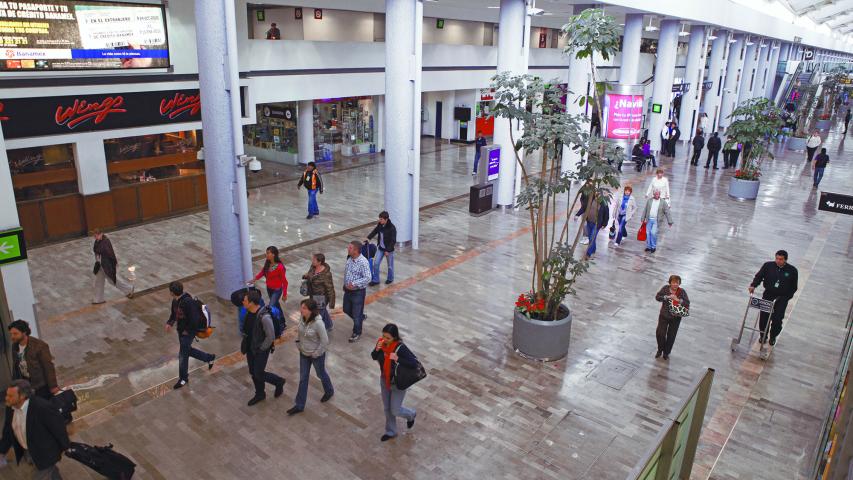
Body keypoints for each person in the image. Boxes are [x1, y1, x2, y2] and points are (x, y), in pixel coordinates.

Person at [0, 380, 70, 478]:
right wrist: (2, 451)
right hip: (28, 452)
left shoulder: (42, 407)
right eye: (7, 395)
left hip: (45, 454)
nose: (6, 398)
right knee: (52, 475)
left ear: (22, 396)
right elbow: (8, 430)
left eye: (10, 396)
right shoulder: (11, 408)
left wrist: (65, 447)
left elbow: (58, 428)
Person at [370, 323, 417, 442]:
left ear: (394, 337)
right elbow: (374, 356)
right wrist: (377, 349)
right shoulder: (381, 343)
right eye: (383, 336)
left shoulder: (400, 348)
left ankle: (411, 415)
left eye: (388, 338)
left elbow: (413, 363)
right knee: (387, 408)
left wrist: (397, 358)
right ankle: (391, 431)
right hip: (384, 380)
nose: (385, 340)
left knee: (395, 409)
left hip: (397, 383)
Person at [288, 299, 334, 416]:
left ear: (311, 311)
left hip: (316, 355)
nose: (301, 310)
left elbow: (325, 341)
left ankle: (329, 390)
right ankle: (299, 405)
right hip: (303, 353)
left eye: (304, 308)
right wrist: (298, 344)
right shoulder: (302, 318)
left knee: (320, 374)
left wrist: (316, 353)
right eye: (301, 307)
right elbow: (299, 332)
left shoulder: (319, 323)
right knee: (303, 379)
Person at [165, 281, 215, 390]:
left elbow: (195, 319)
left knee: (183, 355)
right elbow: (173, 315)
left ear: (172, 292)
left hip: (188, 333)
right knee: (187, 351)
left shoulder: (188, 302)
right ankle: (209, 358)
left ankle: (183, 378)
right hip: (181, 331)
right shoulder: (175, 301)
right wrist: (169, 323)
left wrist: (186, 331)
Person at [241, 289, 286, 406]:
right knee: (253, 371)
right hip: (251, 348)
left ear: (251, 303)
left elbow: (270, 336)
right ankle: (260, 393)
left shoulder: (264, 317)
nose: (243, 302)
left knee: (258, 373)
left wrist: (262, 349)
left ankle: (278, 381)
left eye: (245, 300)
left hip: (260, 349)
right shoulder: (248, 313)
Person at [749, 250, 798, 346]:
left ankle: (773, 336)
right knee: (764, 317)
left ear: (785, 260)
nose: (778, 261)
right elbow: (759, 276)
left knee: (777, 319)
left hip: (781, 298)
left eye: (781, 259)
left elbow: (793, 287)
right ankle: (763, 335)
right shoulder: (768, 266)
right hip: (768, 295)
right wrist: (753, 285)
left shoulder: (792, 270)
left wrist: (787, 297)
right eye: (777, 258)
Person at [8, 321, 59, 400]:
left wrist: (53, 386)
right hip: (26, 386)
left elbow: (48, 367)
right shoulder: (14, 346)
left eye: (15, 334)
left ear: (24, 332)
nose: (12, 337)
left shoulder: (39, 346)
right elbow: (15, 366)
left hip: (41, 386)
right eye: (11, 334)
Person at [91, 229, 133, 304]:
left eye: (96, 236)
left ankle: (129, 289)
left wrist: (114, 262)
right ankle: (98, 299)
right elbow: (96, 250)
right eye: (94, 236)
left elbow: (111, 253)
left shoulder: (106, 241)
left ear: (101, 234)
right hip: (99, 265)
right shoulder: (97, 242)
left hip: (106, 265)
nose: (95, 238)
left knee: (113, 280)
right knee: (98, 282)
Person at [654, 275, 690, 360]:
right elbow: (657, 297)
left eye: (677, 283)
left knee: (671, 336)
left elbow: (687, 302)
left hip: (675, 318)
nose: (675, 284)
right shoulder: (665, 288)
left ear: (679, 283)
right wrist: (667, 297)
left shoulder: (682, 292)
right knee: (660, 333)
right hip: (664, 315)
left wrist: (678, 300)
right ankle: (660, 349)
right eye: (673, 282)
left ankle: (666, 352)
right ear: (670, 283)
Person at [343, 240, 372, 343]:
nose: (348, 249)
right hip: (347, 290)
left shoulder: (363, 262)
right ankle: (360, 317)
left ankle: (357, 332)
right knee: (346, 309)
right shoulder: (350, 259)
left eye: (350, 248)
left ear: (356, 250)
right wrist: (345, 284)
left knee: (356, 314)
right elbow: (347, 273)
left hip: (358, 292)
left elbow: (368, 278)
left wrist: (354, 284)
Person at [248, 246, 287, 318]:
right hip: (269, 288)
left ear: (273, 254)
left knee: (271, 306)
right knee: (276, 304)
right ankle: (282, 322)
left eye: (268, 253)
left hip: (277, 290)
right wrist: (254, 279)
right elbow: (262, 272)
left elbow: (285, 282)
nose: (266, 254)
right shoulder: (267, 263)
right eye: (266, 253)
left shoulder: (280, 267)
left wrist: (284, 294)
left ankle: (275, 322)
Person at [303, 253, 335, 331]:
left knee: (317, 314)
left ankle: (317, 331)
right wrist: (305, 276)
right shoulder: (313, 267)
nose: (312, 261)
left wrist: (332, 303)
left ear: (319, 262)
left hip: (321, 297)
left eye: (314, 260)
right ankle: (329, 325)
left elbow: (330, 289)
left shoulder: (326, 274)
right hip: (312, 294)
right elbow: (310, 274)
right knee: (322, 311)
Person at [367, 211, 397, 286]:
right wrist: (368, 238)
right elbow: (375, 231)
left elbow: (393, 241)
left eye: (381, 219)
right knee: (376, 263)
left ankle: (390, 278)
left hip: (388, 250)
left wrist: (388, 250)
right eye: (379, 219)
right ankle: (376, 280)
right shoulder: (380, 225)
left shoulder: (392, 228)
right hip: (380, 248)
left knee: (390, 266)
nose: (379, 220)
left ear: (386, 219)